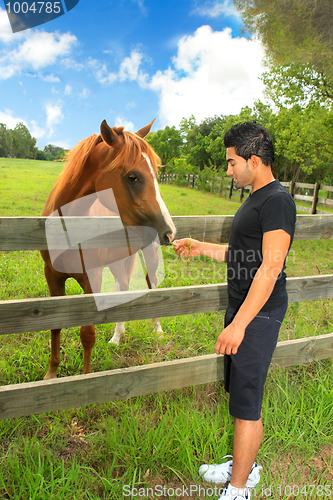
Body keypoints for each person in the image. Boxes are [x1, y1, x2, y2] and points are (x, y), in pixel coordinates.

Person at [173, 122, 296, 500]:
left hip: (258, 314)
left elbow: (270, 268)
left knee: (247, 400)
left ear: (253, 160)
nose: (228, 171)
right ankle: (247, 465)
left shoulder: (277, 201)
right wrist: (199, 246)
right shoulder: (257, 197)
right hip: (244, 309)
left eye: (231, 163)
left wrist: (240, 325)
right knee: (241, 394)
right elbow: (243, 254)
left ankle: (239, 488)